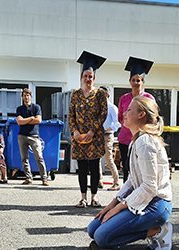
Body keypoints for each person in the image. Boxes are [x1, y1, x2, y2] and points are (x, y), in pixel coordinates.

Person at [87, 96, 172, 249]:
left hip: (156, 205)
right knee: (93, 229)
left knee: (101, 237)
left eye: (129, 110)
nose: (124, 113)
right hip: (144, 199)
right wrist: (112, 204)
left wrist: (119, 208)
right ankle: (118, 233)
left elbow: (149, 187)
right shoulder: (137, 140)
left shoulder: (145, 142)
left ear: (141, 115)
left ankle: (157, 231)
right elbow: (133, 179)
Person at [69, 51, 108, 208]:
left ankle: (94, 197)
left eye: (90, 76)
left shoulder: (99, 94)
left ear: (94, 78)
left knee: (94, 168)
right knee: (82, 169)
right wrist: (75, 132)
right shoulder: (76, 95)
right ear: (81, 77)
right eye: (85, 76)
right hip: (79, 138)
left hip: (95, 137)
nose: (88, 79)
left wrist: (92, 131)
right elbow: (71, 115)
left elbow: (103, 114)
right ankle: (83, 198)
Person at [118, 56, 155, 183]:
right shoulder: (124, 98)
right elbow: (120, 117)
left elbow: (152, 117)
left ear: (142, 82)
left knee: (141, 168)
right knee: (127, 168)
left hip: (142, 138)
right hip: (125, 139)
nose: (136, 83)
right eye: (133, 80)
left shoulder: (148, 97)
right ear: (130, 81)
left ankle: (140, 194)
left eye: (138, 80)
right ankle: (126, 194)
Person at [16, 88, 49, 186]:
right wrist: (31, 118)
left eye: (28, 95)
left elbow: (38, 120)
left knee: (39, 157)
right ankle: (28, 178)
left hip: (34, 136)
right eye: (24, 95)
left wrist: (24, 120)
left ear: (30, 96)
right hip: (22, 136)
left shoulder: (36, 107)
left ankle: (44, 178)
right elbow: (19, 122)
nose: (26, 97)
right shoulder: (19, 109)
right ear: (22, 97)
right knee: (24, 158)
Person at [99, 86, 121, 191]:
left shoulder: (112, 107)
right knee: (97, 159)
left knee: (108, 159)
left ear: (107, 94)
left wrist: (110, 127)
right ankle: (98, 181)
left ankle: (116, 182)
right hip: (98, 135)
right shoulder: (97, 106)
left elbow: (118, 122)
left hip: (107, 135)